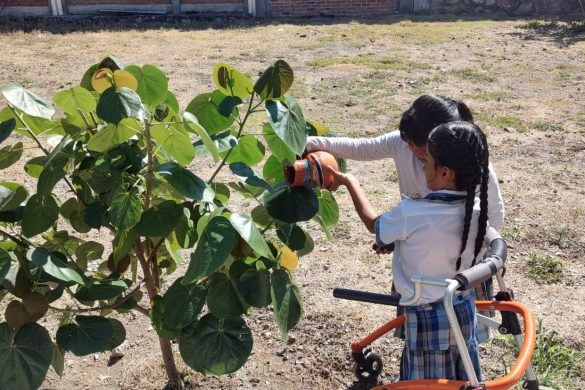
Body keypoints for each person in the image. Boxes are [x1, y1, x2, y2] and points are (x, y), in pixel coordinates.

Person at [307, 94, 502, 341]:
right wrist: (307, 143)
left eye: (422, 151)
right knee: (424, 336)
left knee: (460, 336)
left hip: (462, 267)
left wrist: (472, 256)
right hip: (421, 261)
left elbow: (492, 212)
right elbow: (359, 147)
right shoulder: (403, 145)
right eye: (409, 144)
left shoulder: (469, 163)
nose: (415, 154)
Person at [326, 121, 489, 381]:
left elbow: (373, 224)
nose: (423, 165)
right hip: (461, 309)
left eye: (429, 161)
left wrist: (349, 181)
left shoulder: (412, 213)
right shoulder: (477, 211)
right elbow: (436, 240)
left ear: (445, 173)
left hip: (425, 316)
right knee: (461, 375)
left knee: (425, 382)